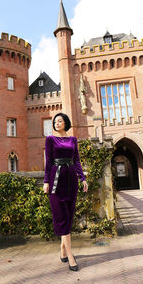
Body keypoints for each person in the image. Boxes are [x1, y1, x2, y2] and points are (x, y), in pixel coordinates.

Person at [43, 113, 88, 271]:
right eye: (55, 121)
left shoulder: (73, 140)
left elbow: (76, 160)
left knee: (68, 214)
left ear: (66, 123)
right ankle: (70, 255)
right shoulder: (50, 139)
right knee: (61, 215)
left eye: (59, 121)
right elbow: (48, 161)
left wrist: (82, 178)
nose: (56, 123)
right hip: (56, 178)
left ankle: (63, 247)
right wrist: (46, 181)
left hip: (71, 179)